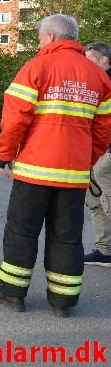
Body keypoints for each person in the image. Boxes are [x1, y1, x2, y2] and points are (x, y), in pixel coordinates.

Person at [0, 14, 111, 317]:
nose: (40, 42)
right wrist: (87, 159)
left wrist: (6, 154)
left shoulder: (37, 67)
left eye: (41, 37)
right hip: (73, 174)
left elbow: (15, 118)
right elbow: (103, 129)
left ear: (52, 37)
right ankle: (63, 301)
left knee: (22, 231)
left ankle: (12, 292)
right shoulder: (98, 76)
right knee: (67, 236)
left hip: (35, 168)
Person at [83, 41, 111, 267]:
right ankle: (104, 250)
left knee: (105, 193)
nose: (85, 63)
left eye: (89, 58)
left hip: (108, 150)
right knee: (94, 198)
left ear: (104, 59)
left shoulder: (107, 82)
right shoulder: (96, 81)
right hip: (97, 149)